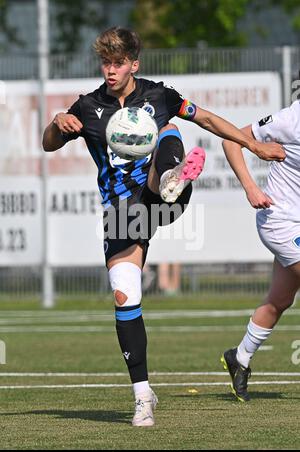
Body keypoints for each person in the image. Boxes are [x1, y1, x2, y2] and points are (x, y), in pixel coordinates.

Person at [43, 26, 285, 426]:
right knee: (125, 296)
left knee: (168, 129)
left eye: (118, 62)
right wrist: (57, 122)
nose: (110, 70)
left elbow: (205, 118)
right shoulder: (87, 107)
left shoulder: (159, 95)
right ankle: (143, 397)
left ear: (133, 64)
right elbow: (49, 143)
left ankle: (172, 175)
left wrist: (254, 146)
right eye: (105, 62)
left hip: (161, 199)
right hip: (123, 213)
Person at [221, 100, 300, 402]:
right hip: (280, 222)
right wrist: (251, 188)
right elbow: (230, 140)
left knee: (279, 301)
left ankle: (239, 358)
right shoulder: (290, 119)